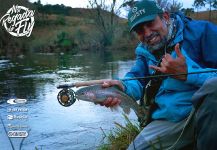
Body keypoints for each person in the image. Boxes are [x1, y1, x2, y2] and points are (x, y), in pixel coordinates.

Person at [98, 0, 217, 149]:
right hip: (171, 120)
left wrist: (188, 74)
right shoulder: (144, 51)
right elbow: (137, 80)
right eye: (140, 30)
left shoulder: (203, 32)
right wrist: (122, 87)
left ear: (165, 17)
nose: (147, 33)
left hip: (208, 113)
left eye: (150, 23)